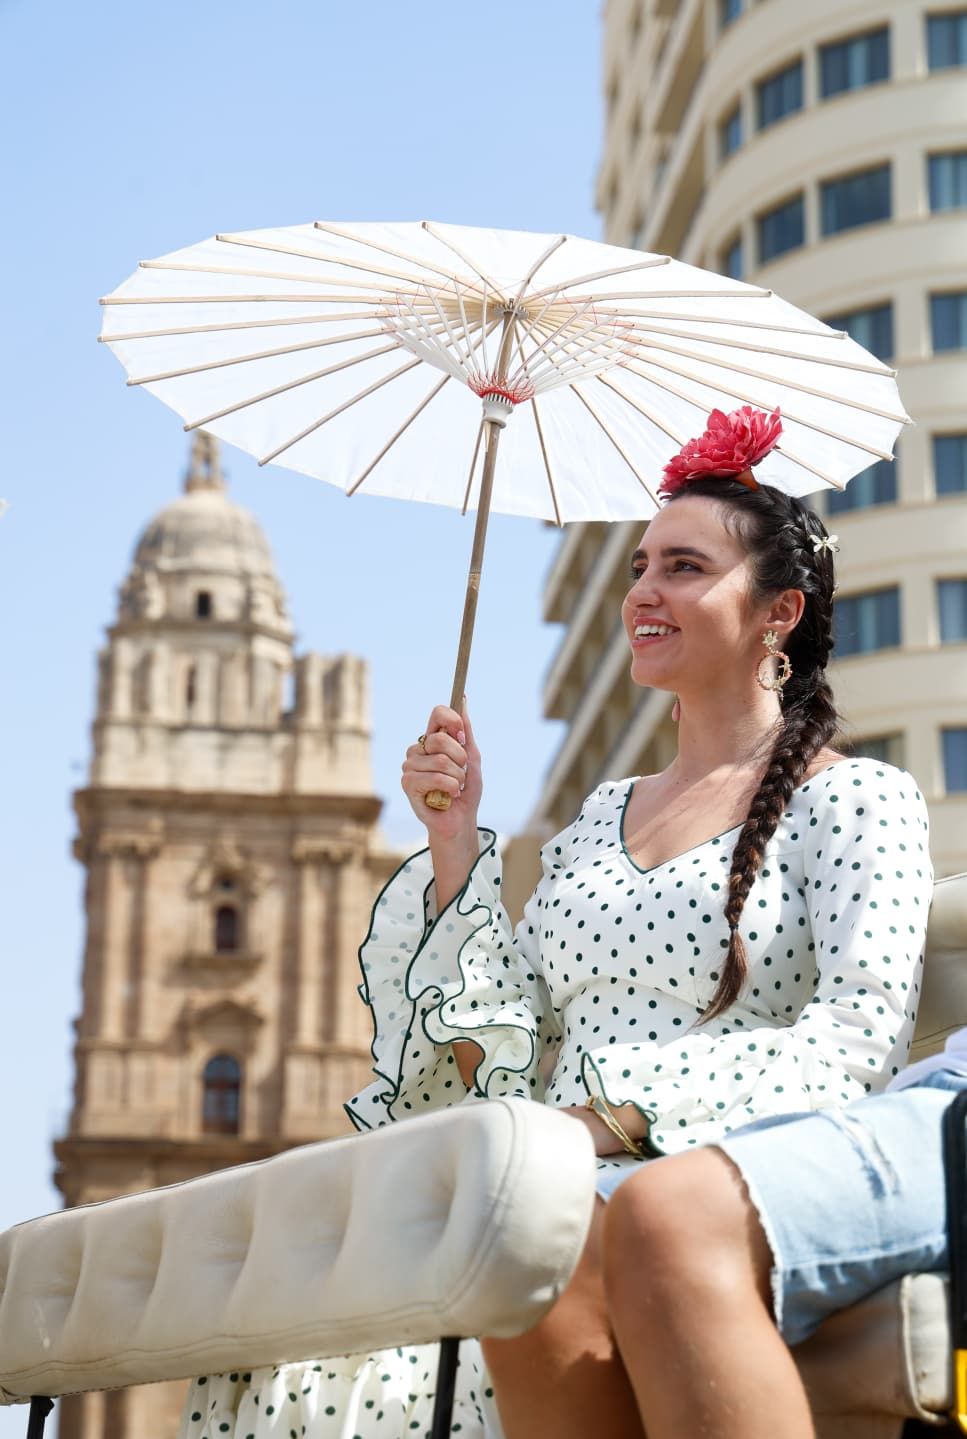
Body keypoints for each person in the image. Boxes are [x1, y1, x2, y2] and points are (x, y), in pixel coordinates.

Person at [179, 405, 932, 1439]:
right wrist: (454, 842)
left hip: (709, 1182)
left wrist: (610, 1120)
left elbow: (855, 1037)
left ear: (779, 612)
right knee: (293, 1346)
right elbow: (506, 1043)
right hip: (538, 1179)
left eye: (683, 566)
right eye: (637, 566)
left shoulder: (859, 797)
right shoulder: (596, 817)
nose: (642, 591)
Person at [601, 1028, 967, 1439]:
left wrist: (625, 1113)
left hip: (947, 1100)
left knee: (671, 1217)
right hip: (910, 1097)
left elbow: (845, 1042)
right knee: (570, 1241)